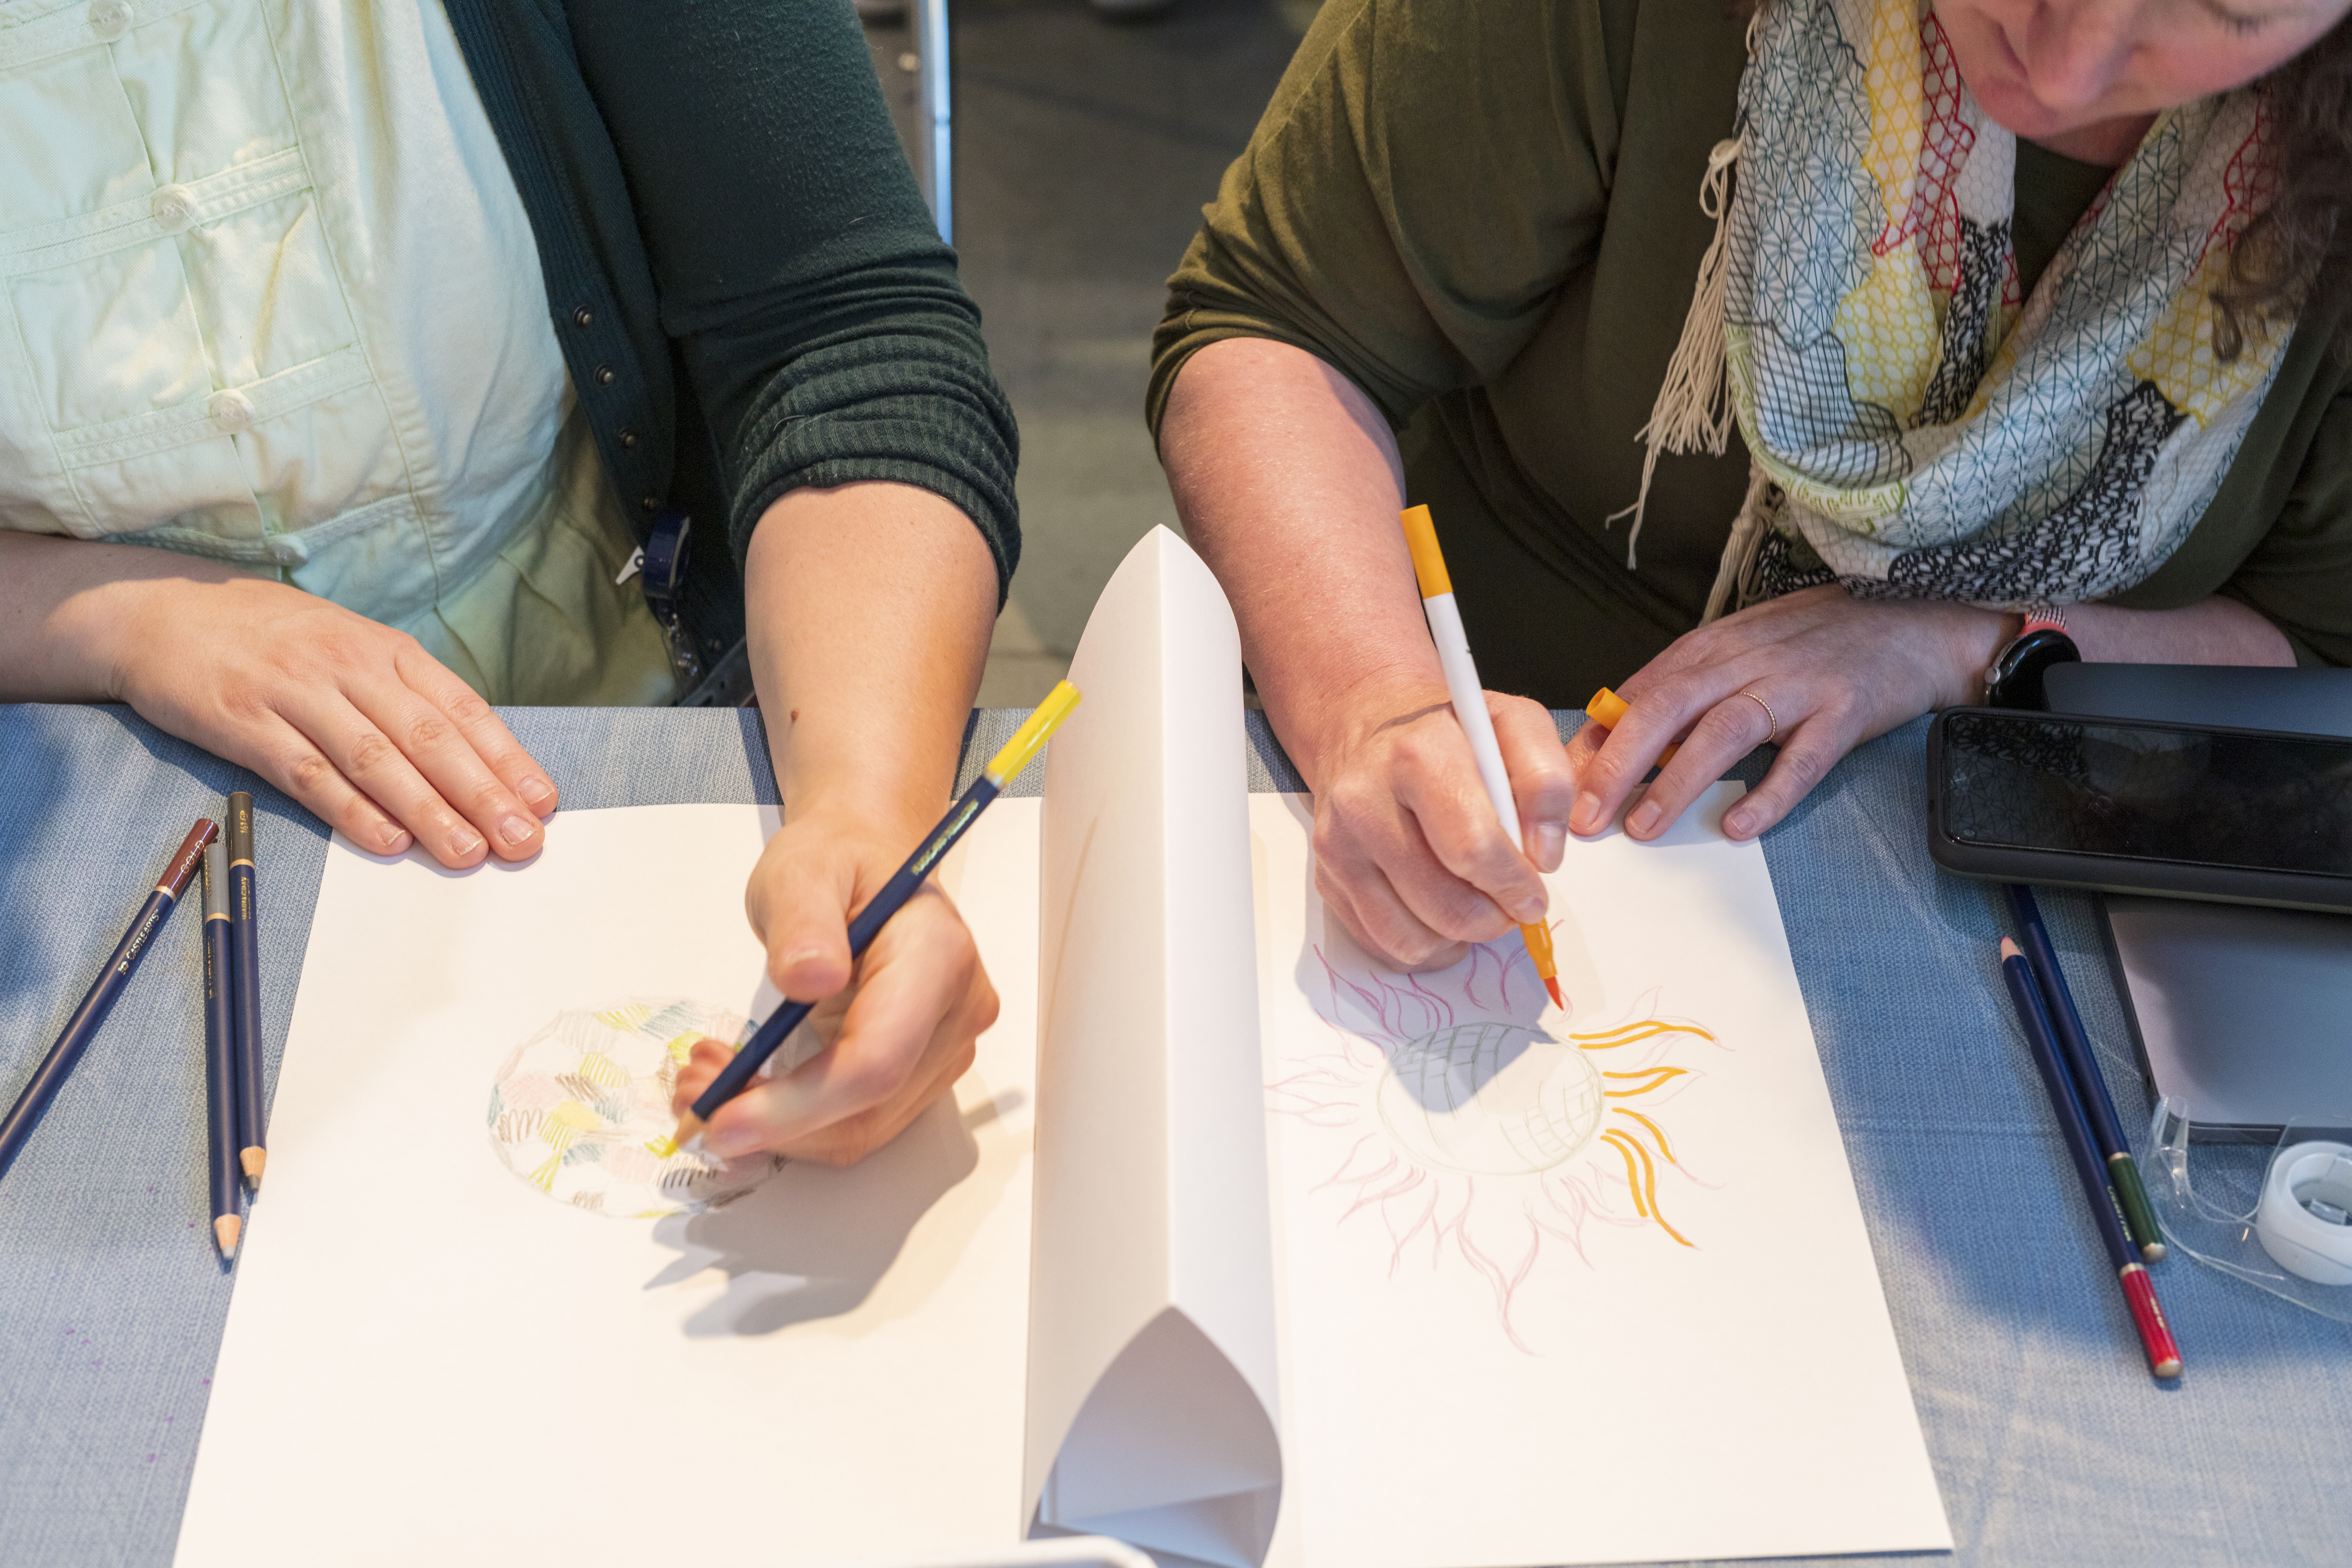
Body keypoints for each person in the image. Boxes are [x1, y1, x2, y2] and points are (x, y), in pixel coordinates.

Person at [0, 0, 1017, 1166]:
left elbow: (838, 337)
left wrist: (864, 813)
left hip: (616, 731)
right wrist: (111, 614)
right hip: (83, 784)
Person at [1150, 0, 2352, 969]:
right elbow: (1275, 330)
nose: (2072, 58)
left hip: (2053, 916)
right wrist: (1374, 705)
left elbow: (2322, 642)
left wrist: (1958, 645)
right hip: (1499, 781)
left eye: (2231, 9)